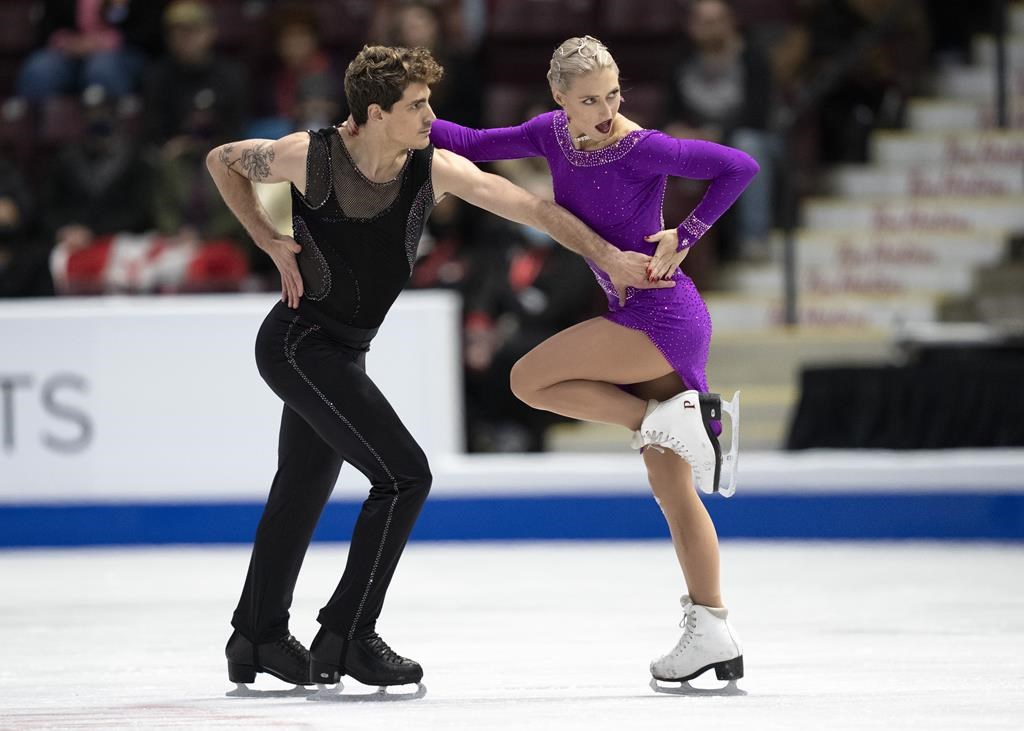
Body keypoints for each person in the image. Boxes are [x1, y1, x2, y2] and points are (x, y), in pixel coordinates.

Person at [206, 44, 678, 693]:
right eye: (417, 105)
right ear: (374, 114)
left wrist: (608, 257)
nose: (432, 115)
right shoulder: (307, 156)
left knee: (302, 488)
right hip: (297, 344)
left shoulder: (433, 169)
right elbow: (222, 160)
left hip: (341, 351)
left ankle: (255, 635)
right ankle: (346, 633)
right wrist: (265, 234)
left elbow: (534, 210)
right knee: (404, 475)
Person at [429, 35, 758, 690]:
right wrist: (407, 118)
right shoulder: (550, 135)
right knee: (674, 492)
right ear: (559, 99)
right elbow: (469, 143)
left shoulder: (642, 146)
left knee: (528, 377)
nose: (606, 109)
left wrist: (685, 233)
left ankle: (675, 421)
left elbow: (740, 166)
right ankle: (712, 627)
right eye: (590, 99)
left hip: (661, 316)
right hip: (647, 320)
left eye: (613, 94)